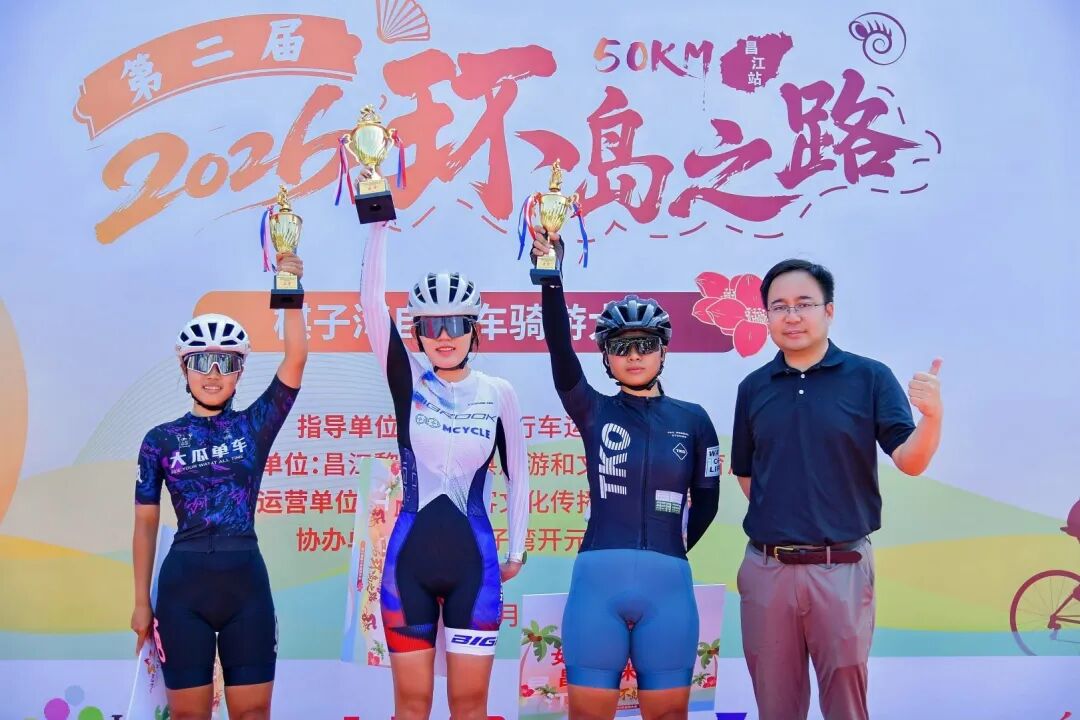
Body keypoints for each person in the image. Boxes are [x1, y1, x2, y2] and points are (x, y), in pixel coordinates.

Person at [732, 258, 943, 720]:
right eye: (779, 306)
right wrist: (790, 519)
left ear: (829, 310)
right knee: (775, 704)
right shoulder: (753, 388)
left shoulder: (869, 377)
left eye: (804, 304)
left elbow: (910, 460)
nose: (792, 316)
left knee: (846, 703)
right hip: (767, 569)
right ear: (766, 315)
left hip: (841, 567)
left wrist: (931, 417)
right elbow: (748, 475)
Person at [532, 232, 720, 720]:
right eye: (621, 346)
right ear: (606, 356)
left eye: (645, 344)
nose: (634, 355)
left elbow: (708, 503)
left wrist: (670, 546)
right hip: (598, 585)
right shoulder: (592, 410)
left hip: (669, 586)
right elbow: (559, 351)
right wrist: (551, 278)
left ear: (663, 351)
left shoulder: (695, 420)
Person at [360, 222, 530, 720]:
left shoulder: (498, 393)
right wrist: (377, 227)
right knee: (411, 707)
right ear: (417, 333)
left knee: (470, 707)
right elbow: (371, 305)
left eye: (455, 324)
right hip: (407, 565)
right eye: (431, 326)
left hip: (474, 567)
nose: (443, 337)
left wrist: (516, 550)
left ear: (474, 329)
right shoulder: (406, 380)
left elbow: (518, 473)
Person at [131, 252, 308, 720]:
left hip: (245, 587)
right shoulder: (159, 440)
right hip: (182, 590)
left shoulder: (254, 426)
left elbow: (296, 358)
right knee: (189, 716)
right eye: (202, 362)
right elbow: (145, 525)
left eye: (225, 362)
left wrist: (289, 287)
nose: (212, 374)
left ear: (239, 371)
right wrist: (140, 602)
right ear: (184, 369)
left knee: (252, 714)